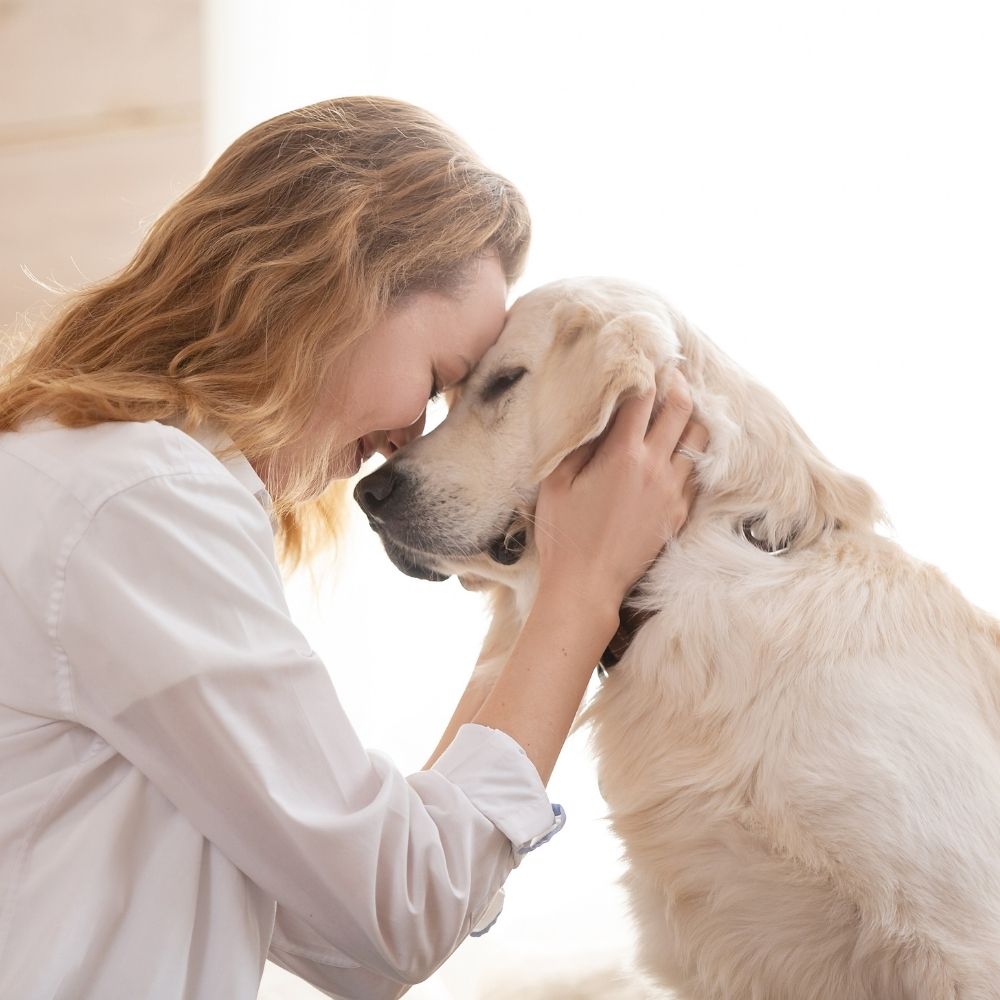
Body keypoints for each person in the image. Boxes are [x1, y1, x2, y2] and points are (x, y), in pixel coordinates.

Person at [0, 96, 707, 999]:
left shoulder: (83, 477)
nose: (410, 437)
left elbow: (348, 944)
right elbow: (396, 915)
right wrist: (583, 589)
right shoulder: (138, 501)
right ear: (339, 284)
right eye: (439, 381)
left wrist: (536, 591)